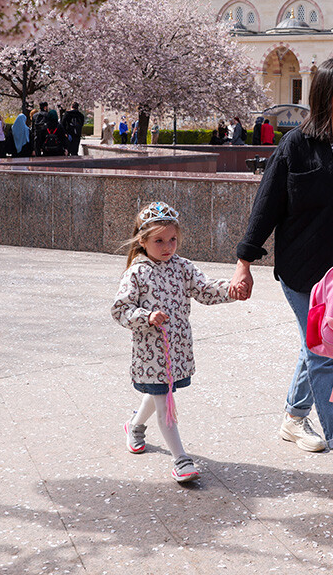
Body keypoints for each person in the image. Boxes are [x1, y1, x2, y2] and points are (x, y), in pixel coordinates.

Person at [231, 57, 333, 485]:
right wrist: (244, 262)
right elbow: (266, 205)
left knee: (317, 346)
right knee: (327, 350)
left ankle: (293, 417)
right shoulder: (296, 145)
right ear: (324, 91)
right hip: (303, 269)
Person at [112, 202, 235, 483]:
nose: (167, 246)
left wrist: (232, 290)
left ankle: (133, 425)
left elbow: (203, 290)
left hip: (177, 350)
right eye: (159, 241)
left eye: (172, 240)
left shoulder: (182, 267)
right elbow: (120, 309)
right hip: (150, 353)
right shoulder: (137, 273)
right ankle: (180, 459)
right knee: (165, 400)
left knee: (160, 394)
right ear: (142, 242)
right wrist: (147, 316)